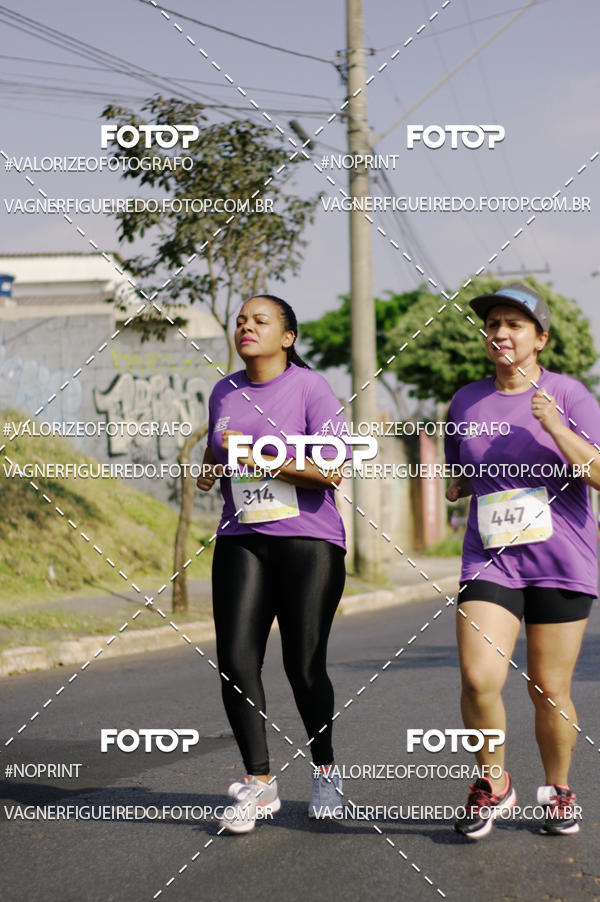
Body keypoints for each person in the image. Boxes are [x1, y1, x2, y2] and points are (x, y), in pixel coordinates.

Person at [445, 282, 600, 840]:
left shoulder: (571, 395)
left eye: (514, 324)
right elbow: (457, 472)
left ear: (541, 338)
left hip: (562, 561)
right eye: (493, 325)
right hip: (491, 562)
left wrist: (556, 427)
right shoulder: (465, 401)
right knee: (477, 678)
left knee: (548, 690)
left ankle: (558, 790)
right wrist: (457, 485)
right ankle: (493, 783)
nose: (501, 333)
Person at [196, 294, 349, 833]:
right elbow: (220, 452)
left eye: (260, 320)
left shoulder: (311, 388)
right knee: (236, 661)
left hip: (308, 540)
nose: (245, 326)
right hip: (242, 535)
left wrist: (258, 454)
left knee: (303, 666)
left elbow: (333, 467)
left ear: (287, 336)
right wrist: (212, 466)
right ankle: (259, 784)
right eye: (241, 320)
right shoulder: (224, 391)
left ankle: (325, 769)